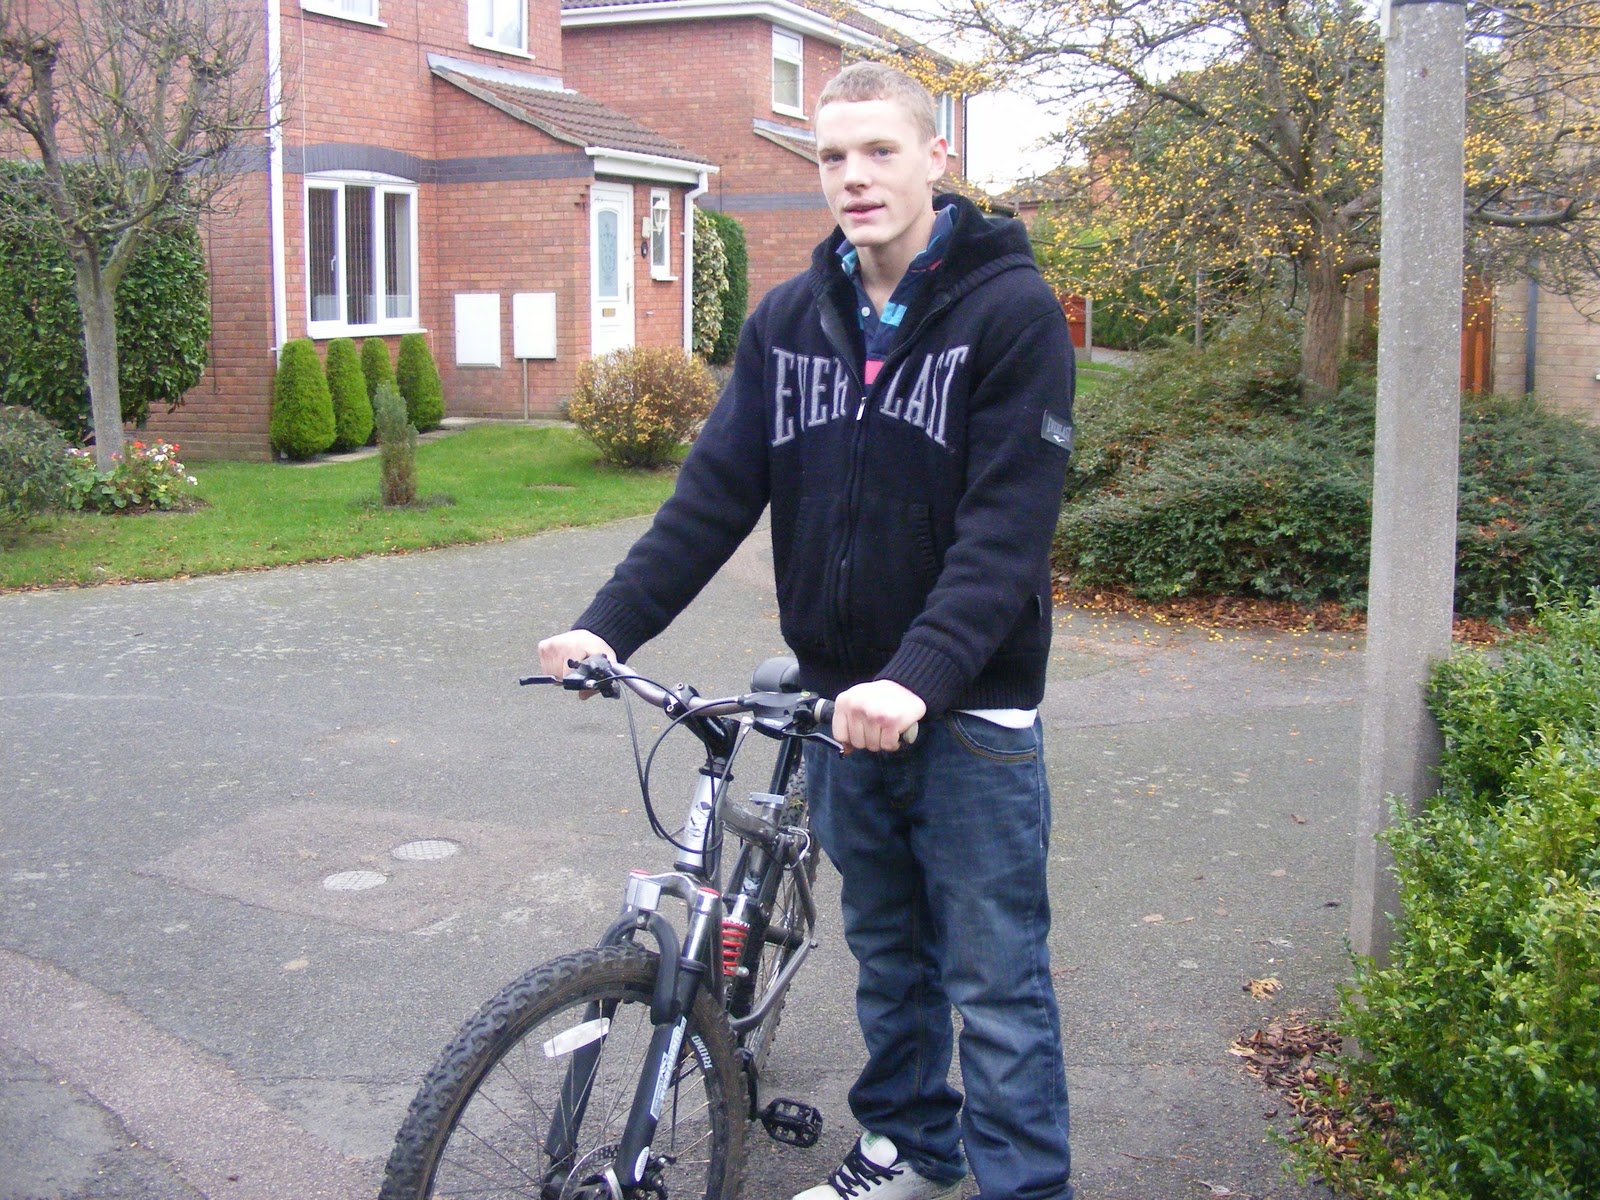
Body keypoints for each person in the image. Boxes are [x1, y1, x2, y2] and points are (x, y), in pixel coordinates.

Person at [539, 61, 1076, 1200]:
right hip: (840, 708)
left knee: (995, 983)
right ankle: (909, 1146)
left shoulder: (1011, 313)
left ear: (935, 158)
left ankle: (1026, 1186)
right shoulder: (789, 320)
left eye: (880, 151)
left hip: (969, 714)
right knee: (889, 958)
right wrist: (605, 630)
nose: (854, 177)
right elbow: (710, 499)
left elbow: (1006, 532)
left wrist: (917, 678)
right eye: (834, 156)